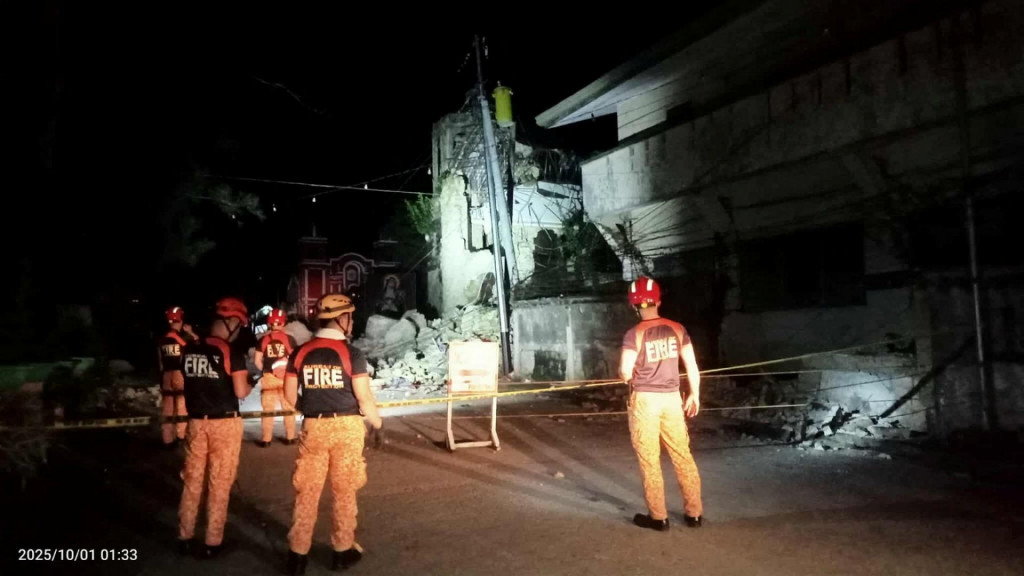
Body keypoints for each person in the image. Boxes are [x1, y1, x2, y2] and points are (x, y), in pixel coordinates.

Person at [284, 293, 382, 575]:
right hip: (347, 428)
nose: (352, 322)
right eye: (350, 317)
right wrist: (377, 425)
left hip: (313, 428)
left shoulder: (301, 352)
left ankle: (297, 555)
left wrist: (311, 409)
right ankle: (341, 551)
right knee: (344, 491)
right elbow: (363, 397)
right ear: (342, 319)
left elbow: (289, 396)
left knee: (307, 492)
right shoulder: (352, 354)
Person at [619, 276, 704, 531]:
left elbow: (625, 371)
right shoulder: (678, 328)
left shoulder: (635, 334)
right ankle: (694, 514)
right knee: (682, 455)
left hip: (645, 401)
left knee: (649, 459)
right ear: (658, 299)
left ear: (634, 305)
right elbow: (691, 364)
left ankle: (658, 517)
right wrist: (695, 394)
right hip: (672, 400)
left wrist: (630, 375)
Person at [177, 297, 253, 558]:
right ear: (231, 322)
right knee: (219, 484)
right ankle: (212, 542)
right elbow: (241, 391)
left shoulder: (188, 349)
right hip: (225, 424)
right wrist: (252, 380)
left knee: (192, 482)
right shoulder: (232, 353)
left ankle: (185, 536)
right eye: (240, 325)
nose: (240, 330)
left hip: (196, 422)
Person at [254, 308, 299, 447]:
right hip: (286, 377)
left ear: (269, 323)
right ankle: (290, 437)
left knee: (268, 409)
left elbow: (257, 361)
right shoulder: (289, 339)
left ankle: (266, 439)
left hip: (268, 378)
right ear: (283, 323)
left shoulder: (263, 340)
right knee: (288, 407)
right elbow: (294, 359)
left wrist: (266, 371)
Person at [157, 306, 198, 448]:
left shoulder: (162, 339)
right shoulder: (183, 338)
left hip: (166, 375)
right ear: (180, 320)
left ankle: (167, 440)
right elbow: (199, 344)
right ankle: (181, 436)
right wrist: (191, 332)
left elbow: (160, 362)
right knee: (181, 405)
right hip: (180, 374)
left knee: (167, 408)